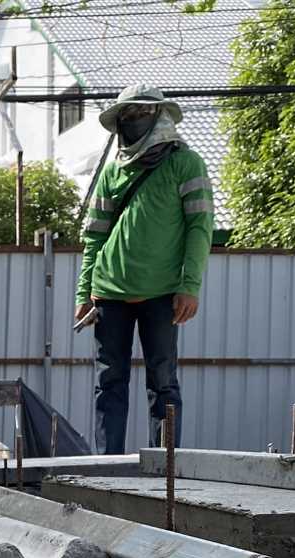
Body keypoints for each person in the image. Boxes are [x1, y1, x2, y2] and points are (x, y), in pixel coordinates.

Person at [71, 86, 215, 456]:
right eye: (127, 116)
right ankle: (107, 465)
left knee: (164, 383)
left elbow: (201, 227)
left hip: (163, 293)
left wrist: (190, 285)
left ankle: (162, 466)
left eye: (140, 114)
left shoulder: (186, 163)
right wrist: (83, 292)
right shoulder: (112, 170)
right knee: (109, 382)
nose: (132, 122)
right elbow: (94, 237)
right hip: (108, 294)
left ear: (159, 116)